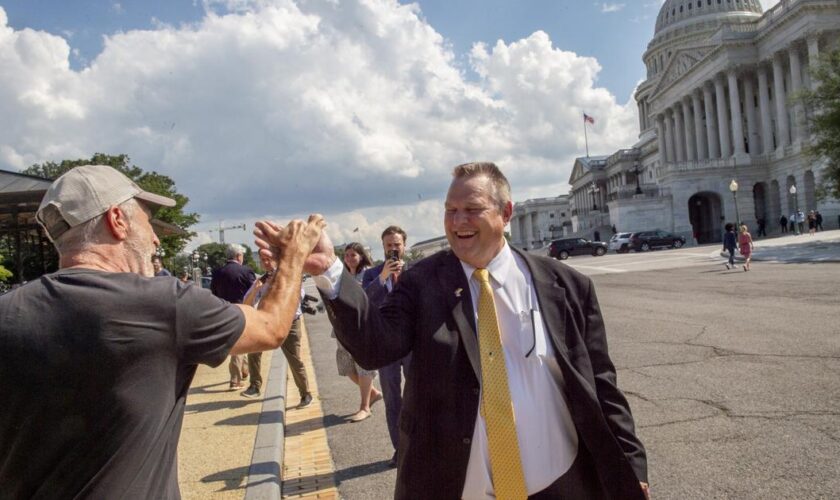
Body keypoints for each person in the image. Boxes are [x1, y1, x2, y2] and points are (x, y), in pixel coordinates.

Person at [297, 163, 649, 499]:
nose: (458, 221)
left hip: (561, 482)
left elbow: (602, 385)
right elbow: (376, 347)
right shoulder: (420, 283)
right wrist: (329, 272)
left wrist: (633, 467)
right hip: (455, 486)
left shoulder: (566, 286)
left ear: (506, 213)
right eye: (450, 210)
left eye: (472, 209)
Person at [0, 164, 322, 498]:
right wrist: (293, 257)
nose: (155, 238)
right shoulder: (164, 304)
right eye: (147, 220)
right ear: (117, 220)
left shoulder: (7, 313)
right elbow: (270, 328)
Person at [362, 225, 411, 467]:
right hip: (387, 345)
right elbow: (364, 303)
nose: (393, 249)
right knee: (393, 399)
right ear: (383, 247)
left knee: (419, 394)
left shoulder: (415, 272)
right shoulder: (372, 274)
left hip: (412, 344)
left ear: (404, 246)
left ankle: (421, 446)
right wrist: (383, 277)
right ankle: (399, 450)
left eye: (397, 245)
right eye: (389, 245)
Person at [241, 254, 313, 408]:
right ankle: (255, 385)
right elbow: (246, 303)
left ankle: (305, 393)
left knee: (294, 359)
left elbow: (296, 299)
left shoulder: (289, 277)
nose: (266, 263)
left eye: (269, 259)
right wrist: (256, 290)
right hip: (267, 323)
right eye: (263, 260)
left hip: (288, 323)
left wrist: (276, 286)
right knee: (253, 351)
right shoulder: (261, 280)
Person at [334, 242, 382, 421]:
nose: (349, 258)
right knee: (347, 367)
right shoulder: (342, 275)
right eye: (346, 255)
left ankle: (365, 407)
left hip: (362, 327)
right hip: (343, 327)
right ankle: (374, 393)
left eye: (353, 255)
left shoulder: (368, 273)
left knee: (363, 367)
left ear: (361, 256)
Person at [212, 244, 257, 390]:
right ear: (238, 256)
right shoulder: (246, 271)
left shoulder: (218, 272)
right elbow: (254, 291)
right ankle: (235, 379)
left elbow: (213, 292)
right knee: (240, 342)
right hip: (243, 309)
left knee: (236, 340)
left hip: (224, 310)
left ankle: (244, 370)